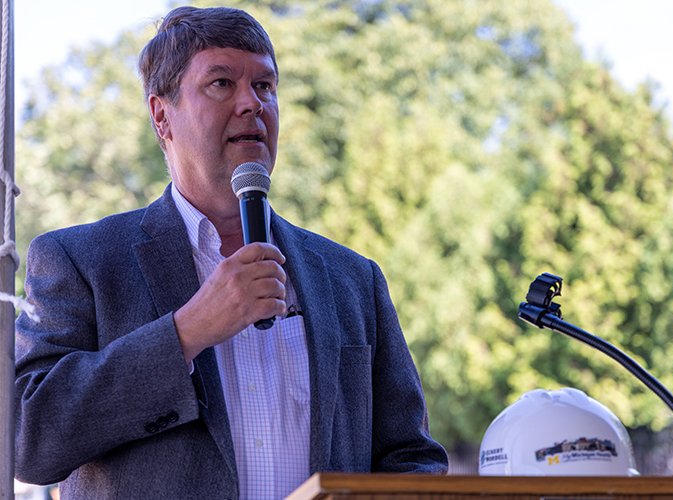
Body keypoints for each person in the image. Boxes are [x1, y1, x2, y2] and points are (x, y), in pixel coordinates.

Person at [14, 6, 448, 499]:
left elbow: (412, 458)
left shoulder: (352, 279)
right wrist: (187, 331)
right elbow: (27, 440)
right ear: (162, 116)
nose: (251, 104)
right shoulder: (81, 261)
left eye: (265, 86)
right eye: (221, 83)